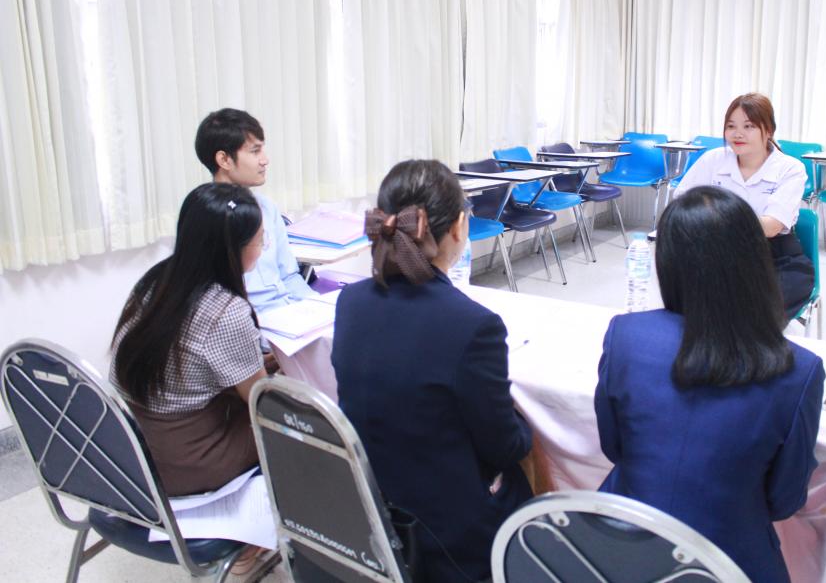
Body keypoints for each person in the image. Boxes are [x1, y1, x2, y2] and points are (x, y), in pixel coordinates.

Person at [596, 186, 825, 583]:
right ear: (757, 261)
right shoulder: (799, 370)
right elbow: (783, 500)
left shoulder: (627, 335)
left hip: (616, 548)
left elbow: (613, 446)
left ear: (668, 263)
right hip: (727, 562)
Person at [331, 160, 533, 583]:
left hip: (371, 508)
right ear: (458, 228)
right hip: (446, 535)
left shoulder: (350, 302)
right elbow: (504, 447)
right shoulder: (473, 326)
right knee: (530, 470)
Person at [110, 183, 268, 496]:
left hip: (132, 446)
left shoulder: (156, 280)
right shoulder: (226, 311)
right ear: (233, 249)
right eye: (260, 239)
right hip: (188, 460)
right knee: (294, 423)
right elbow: (259, 398)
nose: (264, 246)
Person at [673, 93, 814, 319]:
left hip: (774, 257)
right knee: (691, 298)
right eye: (731, 126)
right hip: (718, 251)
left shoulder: (790, 168)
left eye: (748, 126)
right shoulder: (713, 159)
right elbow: (683, 202)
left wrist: (715, 215)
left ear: (769, 131)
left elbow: (771, 227)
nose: (738, 134)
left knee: (758, 311)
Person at [194, 108, 315, 312]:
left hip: (287, 312)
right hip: (246, 319)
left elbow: (289, 276)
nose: (265, 160)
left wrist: (318, 307)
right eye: (254, 151)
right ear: (224, 160)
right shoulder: (205, 217)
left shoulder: (266, 207)